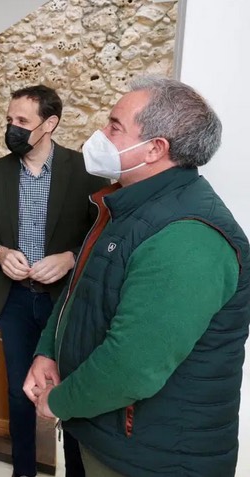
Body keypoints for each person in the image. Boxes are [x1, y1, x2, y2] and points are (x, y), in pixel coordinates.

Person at [26, 76, 250, 477]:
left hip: (148, 457)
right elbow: (82, 290)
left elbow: (131, 366)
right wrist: (48, 350)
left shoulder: (188, 236)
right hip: (99, 430)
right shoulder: (127, 205)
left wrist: (58, 402)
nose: (100, 134)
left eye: (114, 126)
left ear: (154, 149)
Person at [0, 85, 108, 477]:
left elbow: (101, 233)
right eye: (9, 120)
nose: (12, 128)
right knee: (20, 392)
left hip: (65, 302)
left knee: (72, 391)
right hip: (15, 299)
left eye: (22, 121)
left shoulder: (84, 170)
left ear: (50, 124)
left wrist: (70, 258)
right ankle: (23, 470)